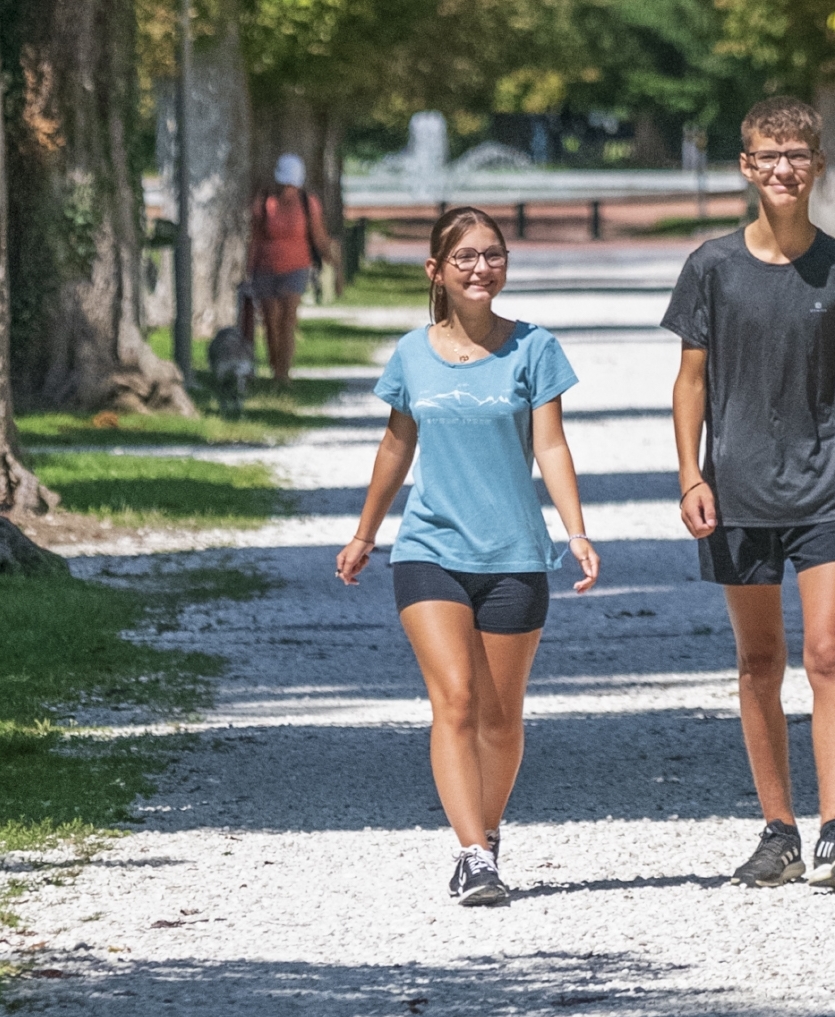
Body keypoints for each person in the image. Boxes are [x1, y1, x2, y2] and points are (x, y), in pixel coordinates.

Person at [335, 206, 599, 906]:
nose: (482, 268)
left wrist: (575, 532)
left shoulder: (534, 348)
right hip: (429, 549)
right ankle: (472, 854)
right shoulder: (411, 353)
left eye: (493, 255)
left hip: (515, 553)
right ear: (436, 271)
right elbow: (396, 445)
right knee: (453, 699)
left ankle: (488, 827)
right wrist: (365, 533)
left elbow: (550, 445)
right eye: (466, 257)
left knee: (499, 719)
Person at [665, 96, 835, 889]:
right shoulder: (711, 267)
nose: (783, 168)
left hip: (828, 489)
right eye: (768, 154)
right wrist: (691, 473)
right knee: (759, 660)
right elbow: (689, 381)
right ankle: (778, 832)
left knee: (827, 654)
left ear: (817, 166)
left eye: (796, 155)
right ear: (745, 166)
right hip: (737, 491)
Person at [247, 154, 337, 384]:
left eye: (291, 185)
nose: (287, 190)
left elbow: (318, 235)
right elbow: (255, 237)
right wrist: (250, 268)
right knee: (270, 321)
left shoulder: (308, 203)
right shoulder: (265, 202)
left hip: (296, 268)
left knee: (288, 320)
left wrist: (332, 262)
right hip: (265, 269)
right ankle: (275, 366)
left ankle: (283, 373)